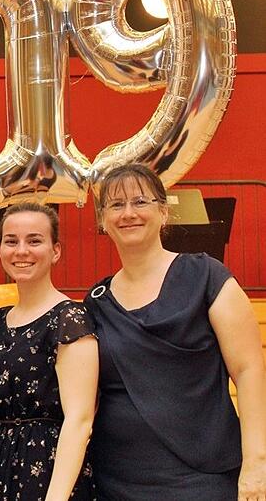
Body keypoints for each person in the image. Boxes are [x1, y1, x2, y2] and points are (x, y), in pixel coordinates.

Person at [83, 164, 266, 500]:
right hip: (115, 480)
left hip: (202, 479)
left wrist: (257, 463)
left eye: (140, 201)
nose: (128, 213)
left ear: (163, 212)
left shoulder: (207, 276)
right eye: (116, 204)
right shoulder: (96, 301)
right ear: (102, 221)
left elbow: (249, 370)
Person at [0, 202, 98, 500]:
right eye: (11, 241)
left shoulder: (68, 318)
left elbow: (80, 419)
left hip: (50, 469)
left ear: (55, 250)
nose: (21, 251)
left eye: (34, 240)